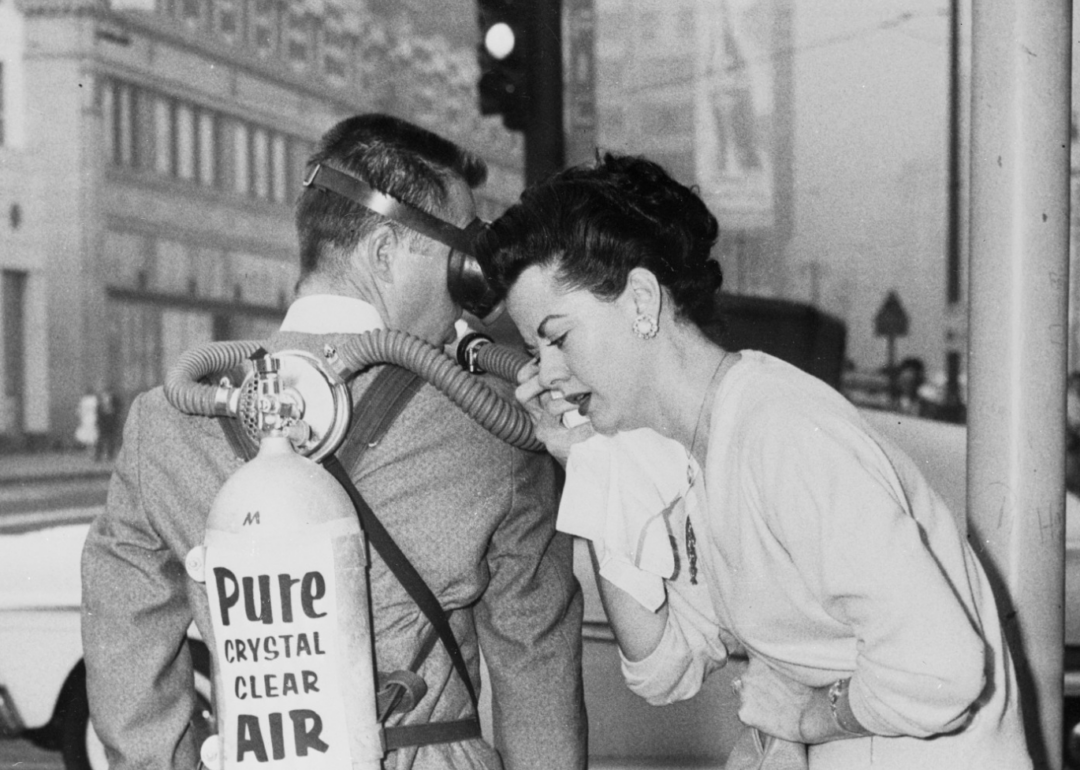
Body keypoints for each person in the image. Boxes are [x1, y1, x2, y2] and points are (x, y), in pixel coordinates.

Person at [475, 152, 1032, 769]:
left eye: (558, 337)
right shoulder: (687, 450)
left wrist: (810, 715)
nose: (547, 374)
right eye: (533, 349)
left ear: (639, 300)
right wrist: (588, 460)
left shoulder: (782, 434)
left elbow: (942, 670)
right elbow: (663, 669)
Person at [82, 114, 586, 770]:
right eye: (463, 259)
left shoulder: (167, 426)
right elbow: (537, 670)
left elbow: (126, 665)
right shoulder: (493, 426)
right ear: (382, 253)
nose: (468, 298)